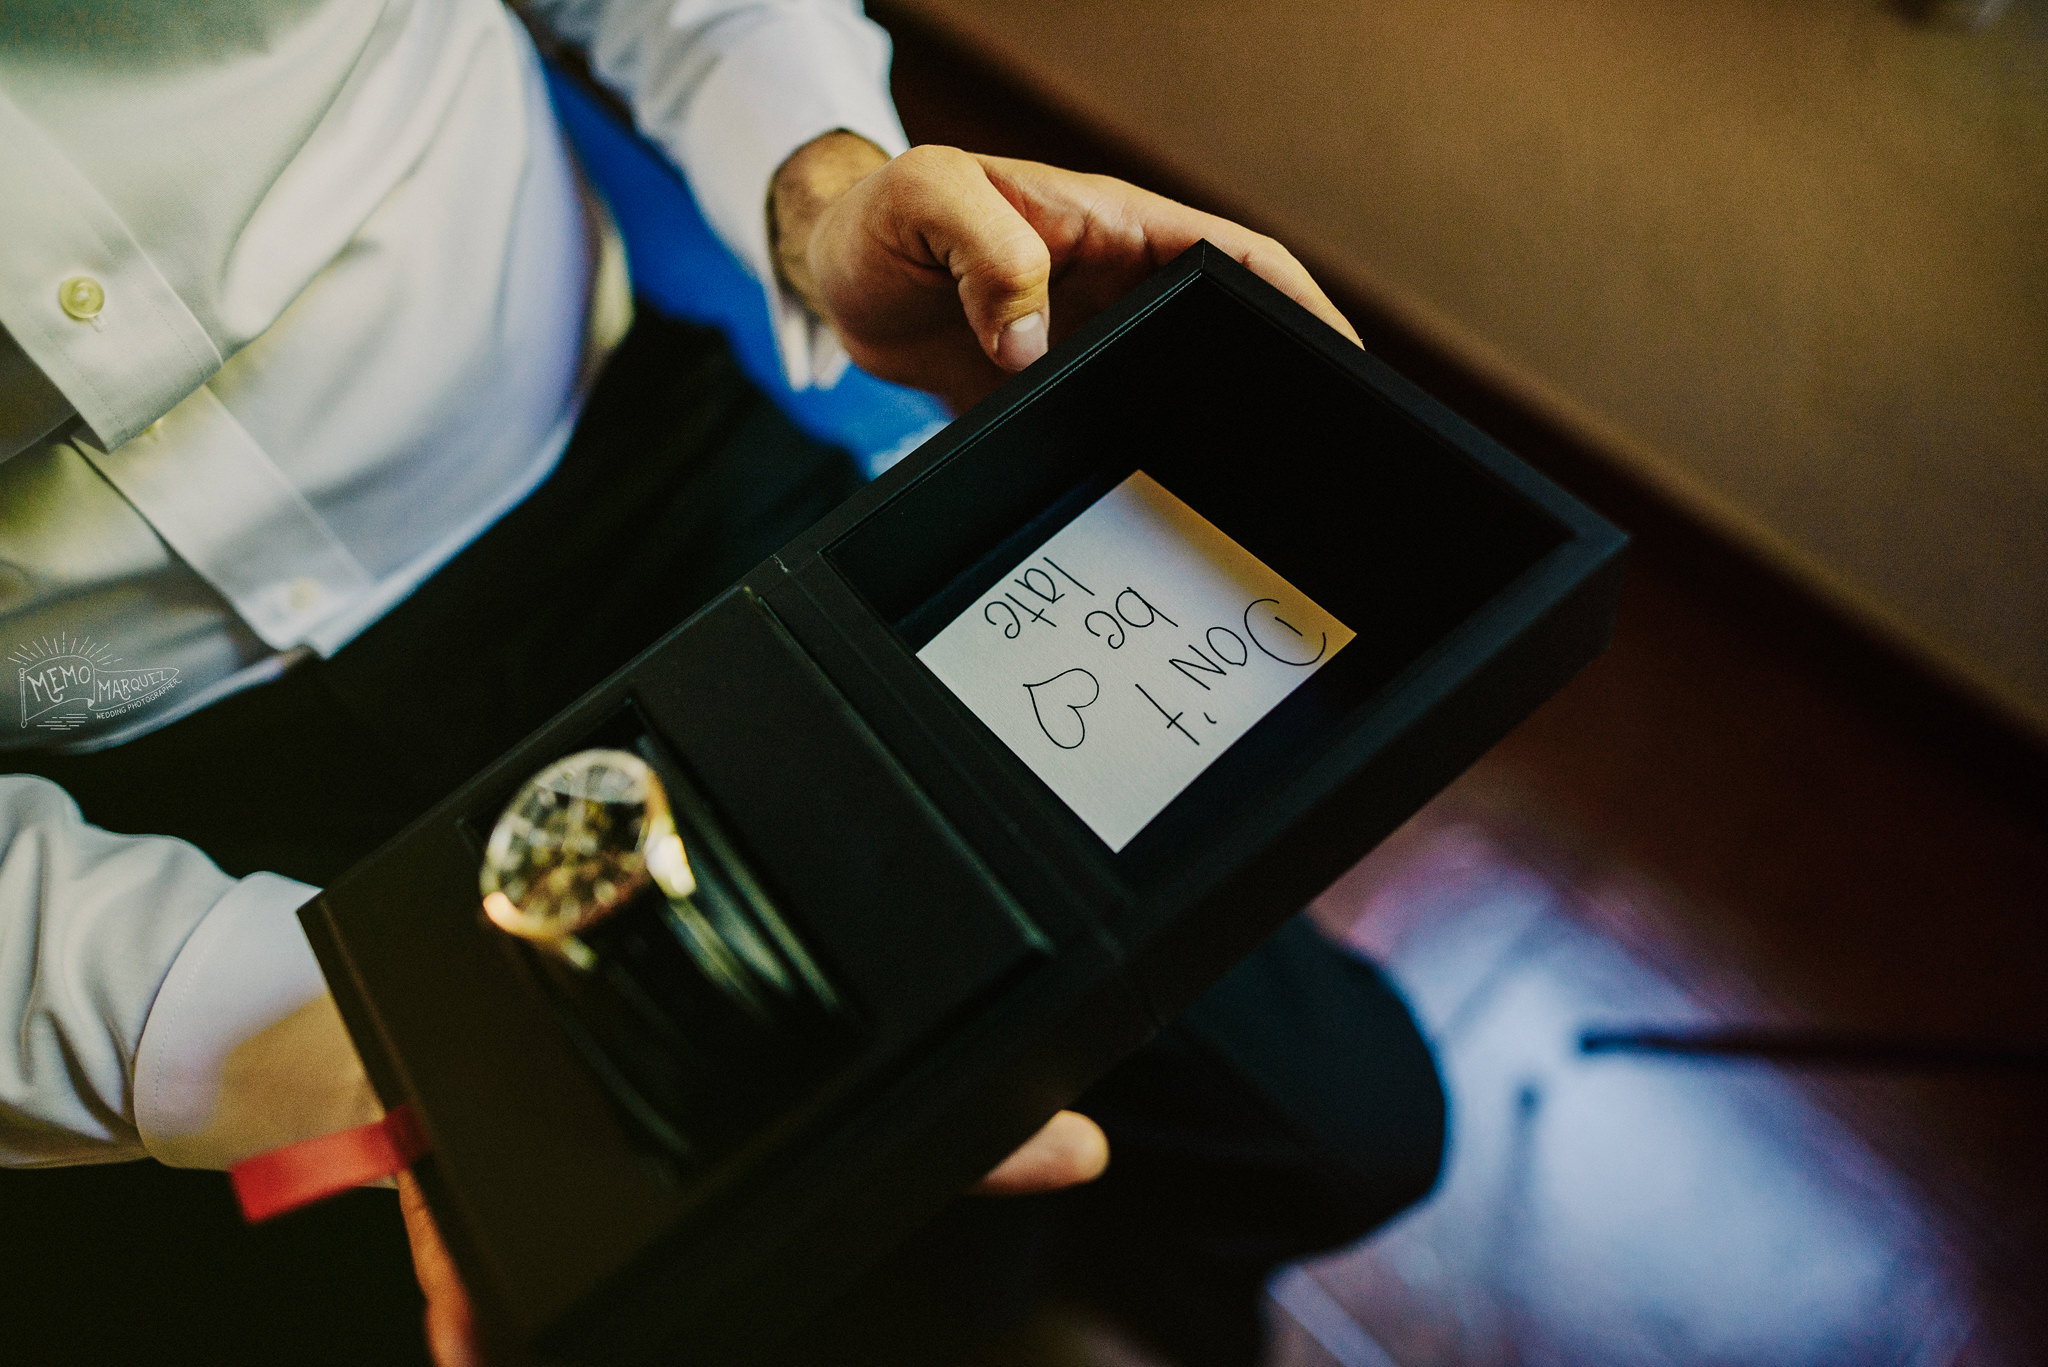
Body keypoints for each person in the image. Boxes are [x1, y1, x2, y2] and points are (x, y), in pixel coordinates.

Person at [0, 2, 1442, 1362]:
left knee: (1332, 1117)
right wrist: (309, 1033)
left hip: (620, 481)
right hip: (116, 780)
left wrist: (822, 182)